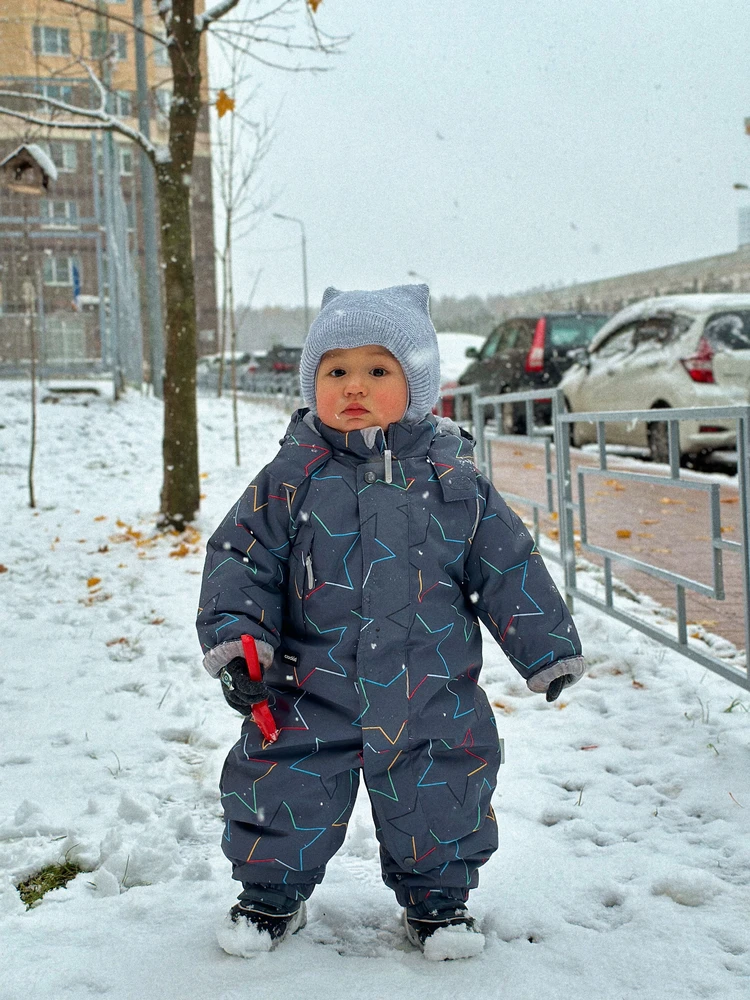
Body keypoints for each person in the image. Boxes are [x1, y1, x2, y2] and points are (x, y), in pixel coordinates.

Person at [196, 284, 585, 958]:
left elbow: (507, 565)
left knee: (440, 792)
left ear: (418, 384)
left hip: (429, 686)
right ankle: (268, 896)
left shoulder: (452, 480)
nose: (355, 386)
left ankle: (438, 903)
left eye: (378, 370)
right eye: (335, 370)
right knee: (283, 787)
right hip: (305, 686)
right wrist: (239, 646)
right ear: (311, 382)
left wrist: (546, 647)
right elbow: (242, 559)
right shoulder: (289, 478)